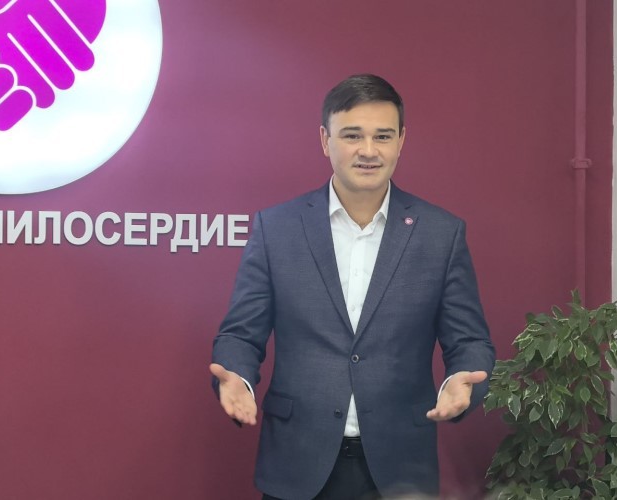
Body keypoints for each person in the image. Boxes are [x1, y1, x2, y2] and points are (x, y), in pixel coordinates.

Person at [210, 74, 495, 500]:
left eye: (382, 136)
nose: (368, 150)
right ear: (325, 140)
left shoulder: (441, 233)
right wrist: (236, 378)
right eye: (352, 135)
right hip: (297, 462)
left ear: (401, 141)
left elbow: (469, 340)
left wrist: (462, 381)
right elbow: (240, 334)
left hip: (400, 468)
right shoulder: (277, 228)